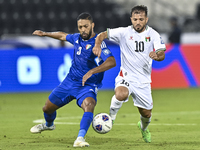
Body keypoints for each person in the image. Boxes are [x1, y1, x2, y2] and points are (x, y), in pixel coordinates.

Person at [30, 12, 116, 147]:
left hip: (87, 85)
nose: (83, 30)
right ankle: (49, 125)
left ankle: (80, 138)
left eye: (85, 26)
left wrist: (92, 71)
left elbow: (111, 62)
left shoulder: (98, 44)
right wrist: (45, 33)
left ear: (92, 25)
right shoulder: (76, 38)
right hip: (69, 82)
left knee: (89, 105)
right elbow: (62, 35)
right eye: (80, 27)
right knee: (47, 108)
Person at [93, 5, 166, 143]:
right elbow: (102, 34)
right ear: (131, 19)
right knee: (121, 94)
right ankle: (111, 119)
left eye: (141, 19)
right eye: (135, 19)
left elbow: (162, 53)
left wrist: (157, 55)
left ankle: (143, 128)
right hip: (126, 75)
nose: (138, 22)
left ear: (146, 19)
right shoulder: (124, 32)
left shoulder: (154, 34)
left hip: (143, 81)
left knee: (146, 113)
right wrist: (97, 44)